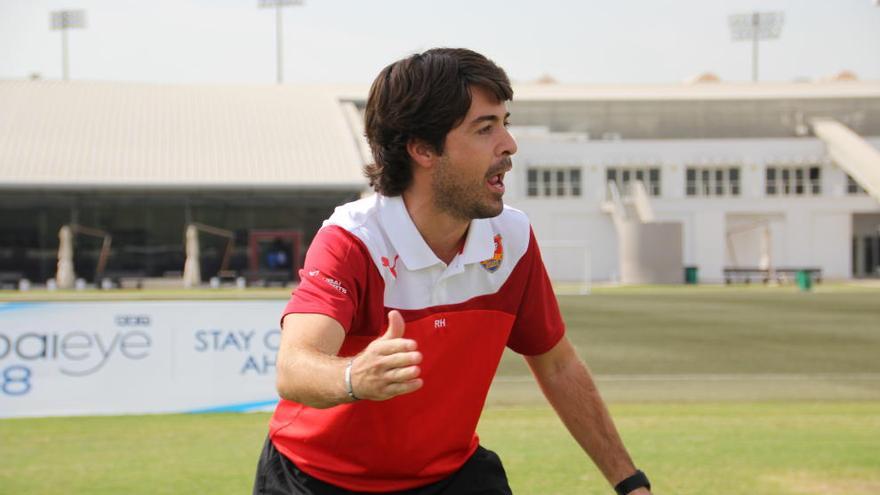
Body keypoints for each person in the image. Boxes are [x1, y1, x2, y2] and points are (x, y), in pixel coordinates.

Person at [253, 48, 652, 495]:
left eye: (506, 122)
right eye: (485, 128)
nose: (509, 144)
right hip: (315, 479)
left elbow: (557, 366)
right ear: (423, 148)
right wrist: (354, 378)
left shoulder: (512, 238)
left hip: (449, 476)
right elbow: (294, 368)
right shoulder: (352, 239)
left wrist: (629, 482)